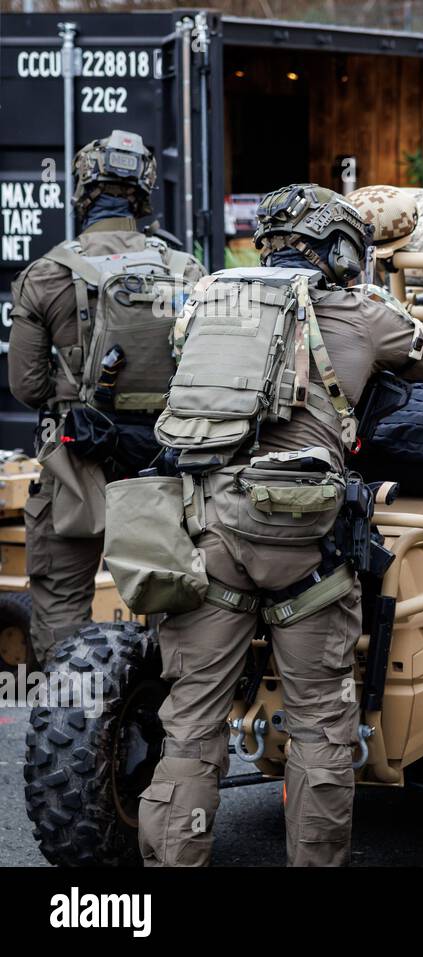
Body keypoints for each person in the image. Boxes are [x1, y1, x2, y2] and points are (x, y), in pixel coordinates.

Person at [136, 184, 423, 866]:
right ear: (339, 249)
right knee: (321, 729)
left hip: (203, 531)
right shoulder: (360, 311)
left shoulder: (211, 302)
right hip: (302, 543)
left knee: (189, 727)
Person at [7, 130, 207, 666]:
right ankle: (171, 713)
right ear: (142, 191)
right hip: (164, 457)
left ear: (83, 191)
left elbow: (26, 386)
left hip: (78, 454)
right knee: (173, 593)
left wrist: (75, 399)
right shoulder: (184, 270)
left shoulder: (46, 274)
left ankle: (73, 711)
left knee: (62, 591)